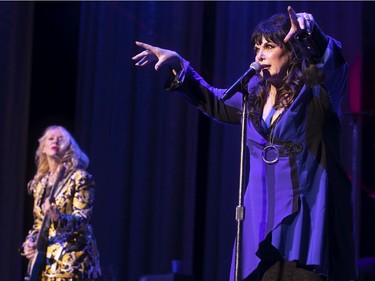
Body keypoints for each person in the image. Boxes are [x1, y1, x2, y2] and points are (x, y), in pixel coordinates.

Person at [132, 5, 357, 281]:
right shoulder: (253, 96)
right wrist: (179, 64)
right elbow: (216, 100)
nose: (260, 54)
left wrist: (312, 36)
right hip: (261, 221)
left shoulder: (315, 95)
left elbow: (330, 66)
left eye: (269, 46)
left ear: (291, 52)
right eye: (256, 47)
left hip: (305, 217)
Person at [21, 125, 101, 281]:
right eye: (50, 138)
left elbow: (82, 220)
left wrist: (59, 219)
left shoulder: (81, 178)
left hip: (72, 262)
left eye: (61, 139)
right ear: (43, 148)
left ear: (70, 148)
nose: (55, 141)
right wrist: (29, 243)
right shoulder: (40, 184)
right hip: (45, 264)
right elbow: (39, 223)